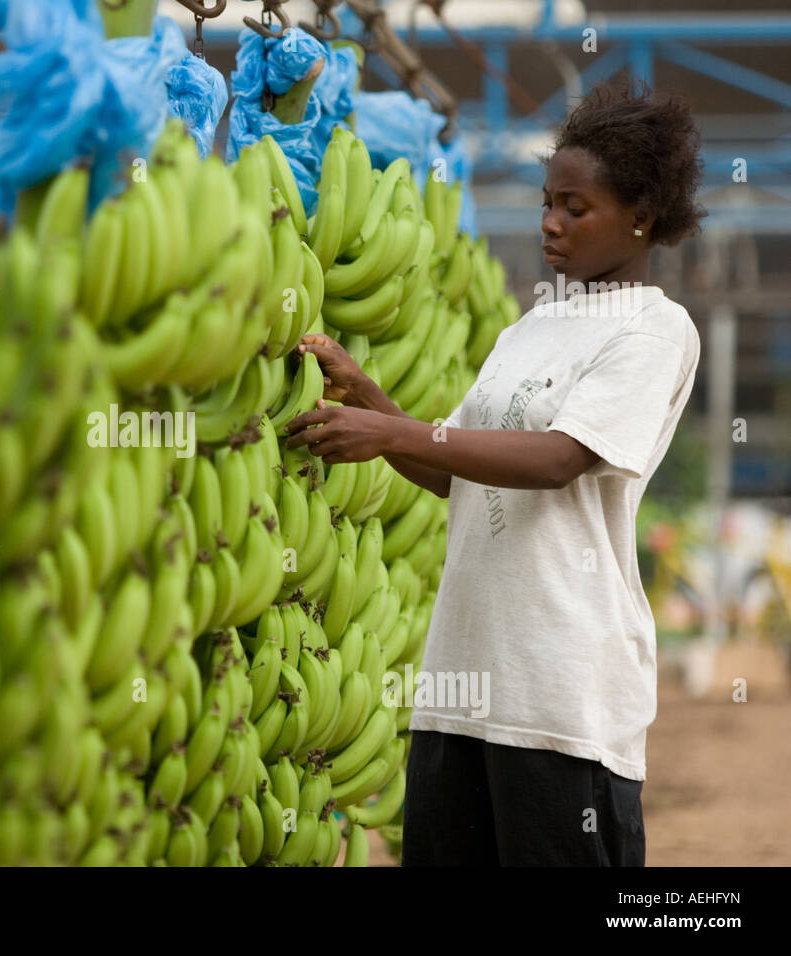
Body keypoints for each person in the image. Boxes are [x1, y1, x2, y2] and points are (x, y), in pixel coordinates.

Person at [283, 77, 705, 866]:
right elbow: (463, 474)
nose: (550, 222)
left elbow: (556, 461)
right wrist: (369, 398)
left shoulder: (655, 330)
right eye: (548, 200)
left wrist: (390, 432)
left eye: (575, 208)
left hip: (560, 696)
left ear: (642, 214)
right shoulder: (530, 327)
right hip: (461, 688)